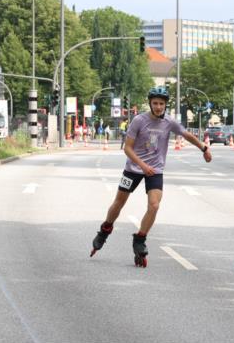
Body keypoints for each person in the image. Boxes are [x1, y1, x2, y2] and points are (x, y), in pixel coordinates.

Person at [90, 86, 212, 266]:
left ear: (165, 105)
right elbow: (127, 148)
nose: (158, 107)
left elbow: (186, 135)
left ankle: (140, 239)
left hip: (155, 170)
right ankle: (105, 229)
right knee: (119, 203)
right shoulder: (139, 120)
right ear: (150, 103)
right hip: (133, 168)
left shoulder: (169, 122)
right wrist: (143, 166)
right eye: (155, 103)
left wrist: (204, 148)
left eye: (161, 103)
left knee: (154, 205)